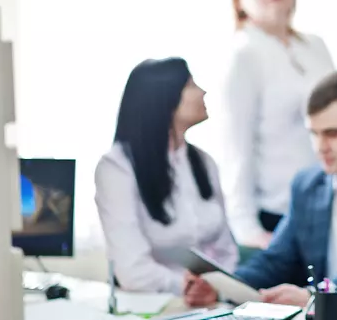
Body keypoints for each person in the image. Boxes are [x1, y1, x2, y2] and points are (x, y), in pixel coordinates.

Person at [184, 72, 337, 307]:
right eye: (313, 133)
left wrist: (315, 296)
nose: (320, 146)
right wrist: (222, 287)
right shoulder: (307, 183)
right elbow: (276, 259)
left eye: (332, 133)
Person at [95, 58, 238, 298]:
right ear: (164, 98)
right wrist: (186, 286)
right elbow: (132, 270)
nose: (202, 92)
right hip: (155, 304)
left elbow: (227, 251)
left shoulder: (204, 163)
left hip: (214, 303)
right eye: (191, 85)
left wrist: (216, 289)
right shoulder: (116, 168)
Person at [222, 0, 336, 249]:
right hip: (277, 214)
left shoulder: (315, 46)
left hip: (329, 204)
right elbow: (237, 149)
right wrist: (248, 229)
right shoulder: (244, 55)